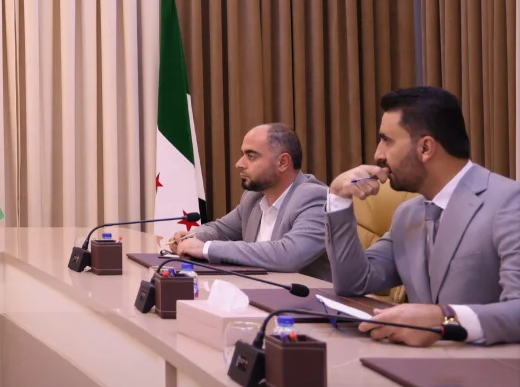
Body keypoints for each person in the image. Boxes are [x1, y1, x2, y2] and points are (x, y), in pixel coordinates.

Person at [326, 87, 520, 346]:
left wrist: (444, 319)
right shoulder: (407, 214)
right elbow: (354, 282)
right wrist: (338, 198)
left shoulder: (509, 202)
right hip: (412, 363)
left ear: (426, 147)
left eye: (387, 141)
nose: (378, 155)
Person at [167, 124, 330, 280]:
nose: (239, 164)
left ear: (282, 162)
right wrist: (192, 238)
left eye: (251, 157)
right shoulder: (253, 198)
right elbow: (220, 231)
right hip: (259, 291)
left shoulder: (315, 198)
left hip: (306, 297)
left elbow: (289, 255)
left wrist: (206, 248)